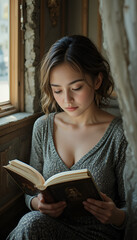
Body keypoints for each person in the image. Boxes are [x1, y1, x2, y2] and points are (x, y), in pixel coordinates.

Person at [7, 35, 128, 240]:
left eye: (76, 88)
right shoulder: (43, 127)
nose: (67, 100)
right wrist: (39, 204)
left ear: (97, 80)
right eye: (57, 91)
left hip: (98, 233)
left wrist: (116, 215)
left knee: (30, 225)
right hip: (47, 227)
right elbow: (31, 192)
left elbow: (131, 205)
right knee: (31, 223)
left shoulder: (119, 134)